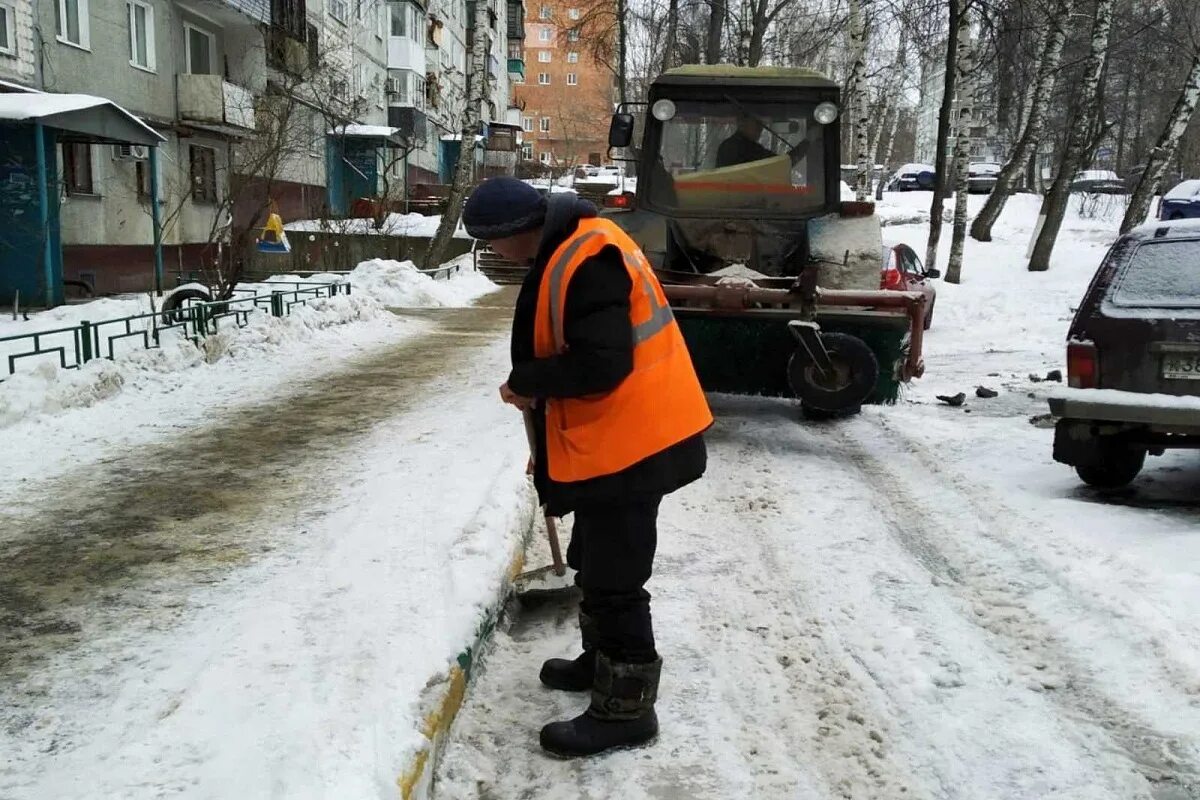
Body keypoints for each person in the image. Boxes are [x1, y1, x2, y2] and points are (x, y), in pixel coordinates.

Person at [461, 177, 712, 758]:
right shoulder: (571, 245)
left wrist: (530, 381)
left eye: (495, 244)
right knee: (594, 559)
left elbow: (602, 365)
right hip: (618, 440)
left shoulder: (589, 255)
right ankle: (600, 662)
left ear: (519, 232)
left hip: (638, 443)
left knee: (617, 578)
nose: (496, 255)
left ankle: (626, 710)